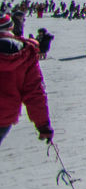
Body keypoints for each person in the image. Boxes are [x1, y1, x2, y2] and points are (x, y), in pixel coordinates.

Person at [0, 14, 53, 148]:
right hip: (3, 117)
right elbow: (34, 93)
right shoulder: (26, 53)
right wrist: (42, 125)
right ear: (11, 28)